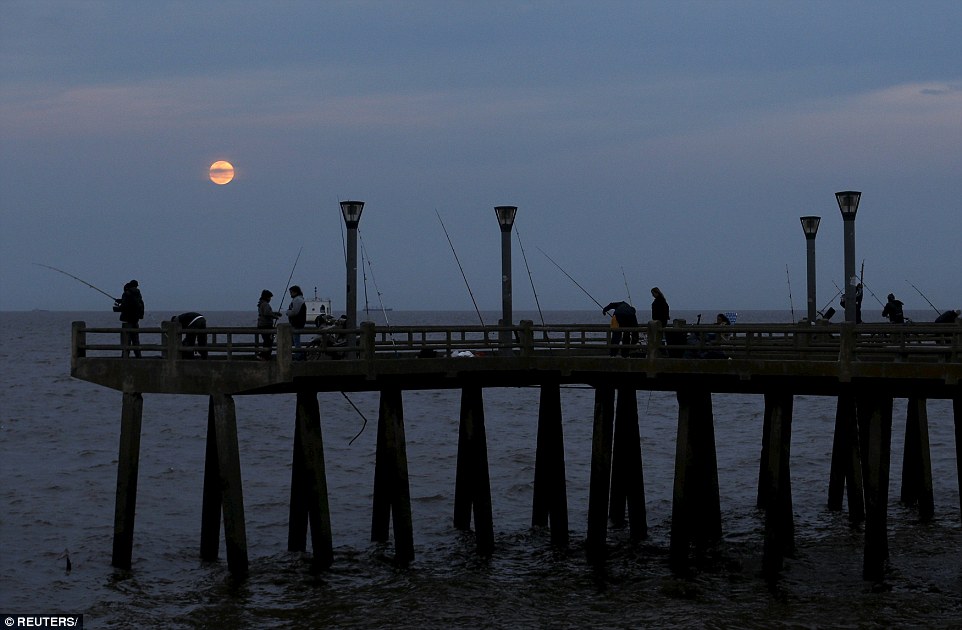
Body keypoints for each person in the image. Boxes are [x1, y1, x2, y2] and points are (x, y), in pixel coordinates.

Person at [113, 280, 144, 357]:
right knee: (136, 340)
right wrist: (120, 300)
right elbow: (135, 303)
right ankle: (138, 356)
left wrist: (117, 308)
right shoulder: (138, 294)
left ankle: (125, 357)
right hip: (135, 320)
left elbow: (125, 306)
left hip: (127, 320)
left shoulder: (126, 294)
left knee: (126, 341)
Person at [256, 290, 280, 360]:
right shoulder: (265, 304)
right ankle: (264, 355)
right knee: (268, 341)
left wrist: (275, 313)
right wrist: (275, 316)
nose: (270, 299)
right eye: (269, 297)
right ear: (267, 297)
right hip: (266, 325)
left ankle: (264, 355)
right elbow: (267, 313)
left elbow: (266, 312)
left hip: (261, 324)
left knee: (266, 341)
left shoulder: (261, 304)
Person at [286, 285, 307, 360]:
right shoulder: (298, 299)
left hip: (297, 323)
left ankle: (299, 356)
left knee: (296, 341)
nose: (290, 294)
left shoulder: (297, 300)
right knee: (293, 340)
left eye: (291, 292)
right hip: (297, 323)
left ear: (295, 292)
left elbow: (294, 312)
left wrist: (287, 312)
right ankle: (297, 355)